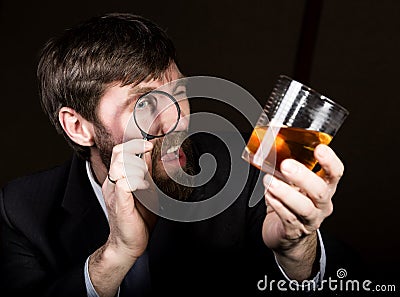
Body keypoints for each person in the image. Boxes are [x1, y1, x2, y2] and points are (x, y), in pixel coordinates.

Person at [0, 13, 358, 297]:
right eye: (146, 102)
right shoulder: (20, 210)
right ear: (79, 127)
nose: (177, 120)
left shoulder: (241, 166)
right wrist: (116, 255)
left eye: (180, 91)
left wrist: (298, 252)